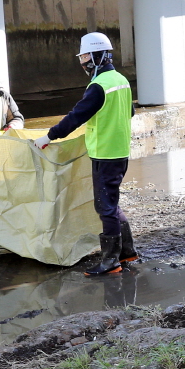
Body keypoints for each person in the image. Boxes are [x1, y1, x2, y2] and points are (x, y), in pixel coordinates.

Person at [34, 33, 136, 276]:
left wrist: (49, 136)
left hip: (105, 154)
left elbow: (76, 116)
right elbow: (129, 112)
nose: (83, 62)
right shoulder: (121, 80)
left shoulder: (98, 86)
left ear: (99, 56)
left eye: (86, 56)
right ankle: (127, 251)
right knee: (111, 203)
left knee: (105, 207)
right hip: (120, 152)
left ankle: (111, 261)